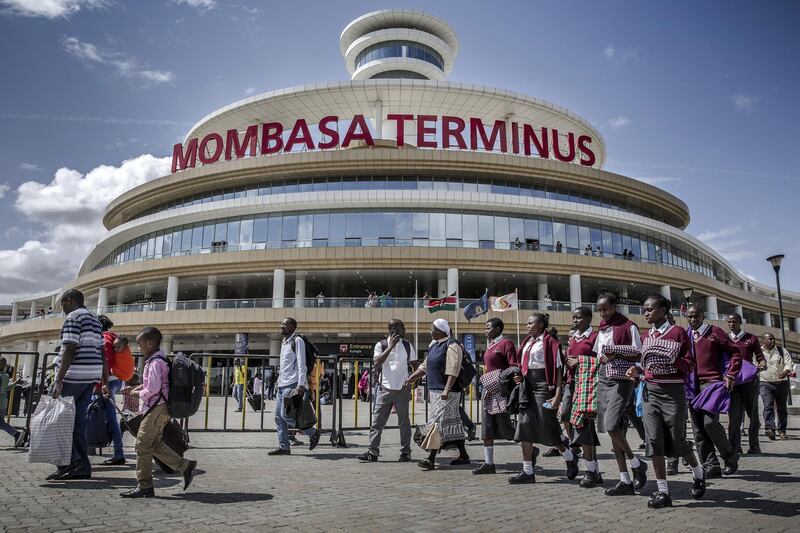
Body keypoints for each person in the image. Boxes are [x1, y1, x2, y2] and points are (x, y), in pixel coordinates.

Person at [624, 294, 706, 509]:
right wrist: (637, 370)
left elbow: (689, 365)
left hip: (673, 392)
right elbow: (645, 363)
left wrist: (672, 357)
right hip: (650, 392)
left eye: (650, 309)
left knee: (676, 441)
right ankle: (663, 492)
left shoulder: (678, 333)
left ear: (663, 310)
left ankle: (698, 472)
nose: (646, 313)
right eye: (644, 309)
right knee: (654, 442)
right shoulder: (645, 336)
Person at [120, 327, 197, 498]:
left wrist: (137, 393)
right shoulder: (159, 360)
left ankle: (145, 485)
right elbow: (153, 384)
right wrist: (136, 388)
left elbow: (153, 389)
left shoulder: (155, 362)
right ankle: (185, 466)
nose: (139, 348)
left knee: (142, 445)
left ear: (150, 343)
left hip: (156, 408)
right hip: (159, 408)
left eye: (140, 345)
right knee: (153, 445)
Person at [509, 313, 578, 484]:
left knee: (547, 425)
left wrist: (557, 395)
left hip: (543, 386)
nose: (527, 325)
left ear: (540, 325)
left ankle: (569, 456)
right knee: (524, 426)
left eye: (531, 323)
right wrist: (518, 376)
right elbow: (521, 363)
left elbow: (559, 370)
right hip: (527, 385)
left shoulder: (550, 342)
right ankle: (527, 471)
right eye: (527, 323)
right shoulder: (527, 342)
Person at [46, 289, 105, 481]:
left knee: (58, 422)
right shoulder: (95, 320)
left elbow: (70, 348)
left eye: (62, 303)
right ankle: (82, 466)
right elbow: (102, 352)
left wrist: (59, 379)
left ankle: (69, 464)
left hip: (73, 376)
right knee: (78, 423)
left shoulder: (73, 317)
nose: (62, 308)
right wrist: (102, 378)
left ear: (70, 301)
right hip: (90, 376)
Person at [593, 293, 648, 497]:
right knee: (615, 431)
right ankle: (624, 480)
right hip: (604, 377)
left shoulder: (628, 325)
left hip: (622, 378)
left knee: (611, 425)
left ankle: (636, 463)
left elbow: (638, 352)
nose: (603, 313)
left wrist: (616, 352)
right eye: (599, 310)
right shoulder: (602, 328)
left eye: (605, 309)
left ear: (615, 306)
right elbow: (599, 353)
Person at [404, 318, 470, 470]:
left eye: (432, 328)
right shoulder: (434, 345)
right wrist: (412, 378)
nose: (430, 331)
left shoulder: (452, 345)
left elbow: (454, 368)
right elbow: (425, 366)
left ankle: (431, 459)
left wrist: (447, 388)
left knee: (437, 423)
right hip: (435, 391)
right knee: (453, 422)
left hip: (448, 391)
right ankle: (464, 455)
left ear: (440, 331)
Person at [685, 305, 741, 478]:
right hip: (692, 386)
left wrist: (731, 374)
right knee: (698, 429)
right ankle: (710, 464)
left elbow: (735, 353)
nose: (693, 320)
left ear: (703, 316)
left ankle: (729, 455)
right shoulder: (686, 335)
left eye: (696, 316)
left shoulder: (715, 332)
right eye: (690, 317)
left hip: (713, 383)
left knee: (710, 423)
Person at [358, 319, 417, 462]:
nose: (398, 331)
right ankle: (373, 452)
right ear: (390, 330)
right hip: (384, 388)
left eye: (400, 328)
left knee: (404, 422)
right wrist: (390, 347)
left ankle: (405, 452)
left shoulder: (408, 346)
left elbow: (415, 364)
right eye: (394, 328)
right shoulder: (381, 344)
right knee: (377, 421)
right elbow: (377, 362)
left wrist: (414, 380)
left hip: (402, 389)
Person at [268, 318, 321, 455]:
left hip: (292, 384)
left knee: (286, 416)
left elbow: (301, 364)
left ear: (292, 327)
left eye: (285, 324)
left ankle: (313, 432)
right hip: (282, 384)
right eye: (281, 324)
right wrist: (278, 383)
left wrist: (301, 384)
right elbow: (284, 367)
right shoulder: (284, 342)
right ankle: (284, 447)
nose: (281, 326)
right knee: (278, 418)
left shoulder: (297, 341)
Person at [562, 307, 601, 487]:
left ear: (588, 318)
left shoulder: (595, 337)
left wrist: (580, 361)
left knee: (584, 426)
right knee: (565, 415)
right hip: (571, 382)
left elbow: (602, 359)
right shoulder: (572, 338)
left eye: (578, 317)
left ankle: (591, 470)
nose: (575, 320)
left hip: (587, 385)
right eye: (573, 317)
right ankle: (574, 448)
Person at [472, 318, 517, 475]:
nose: (486, 330)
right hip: (488, 390)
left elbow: (513, 367)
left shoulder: (506, 344)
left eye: (488, 327)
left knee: (505, 428)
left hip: (501, 392)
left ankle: (529, 449)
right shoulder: (490, 345)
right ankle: (489, 463)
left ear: (498, 329)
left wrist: (499, 380)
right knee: (487, 427)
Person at [726, 313, 767, 455]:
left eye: (734, 321)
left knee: (753, 415)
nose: (732, 324)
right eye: (729, 322)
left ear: (740, 322)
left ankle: (754, 446)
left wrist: (762, 364)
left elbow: (760, 357)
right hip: (733, 382)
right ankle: (734, 447)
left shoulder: (751, 338)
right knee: (734, 417)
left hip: (749, 382)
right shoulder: (725, 338)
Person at [97, 315, 126, 466]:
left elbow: (105, 361)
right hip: (116, 380)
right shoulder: (114, 336)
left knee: (111, 417)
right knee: (109, 415)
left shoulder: (105, 338)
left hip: (109, 381)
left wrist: (104, 384)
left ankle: (119, 453)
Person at [759, 333, 793, 441]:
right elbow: (752, 364)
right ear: (763, 340)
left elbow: (789, 363)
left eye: (773, 339)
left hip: (782, 383)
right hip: (765, 383)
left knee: (782, 409)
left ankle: (782, 431)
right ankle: (770, 429)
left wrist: (786, 371)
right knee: (768, 406)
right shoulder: (758, 352)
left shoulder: (781, 350)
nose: (772, 341)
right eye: (770, 339)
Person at [0, 357, 21, 444]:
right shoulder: (6, 376)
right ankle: (16, 434)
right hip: (3, 404)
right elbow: (7, 388)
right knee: (1, 423)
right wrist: (15, 383)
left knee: (1, 423)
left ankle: (16, 434)